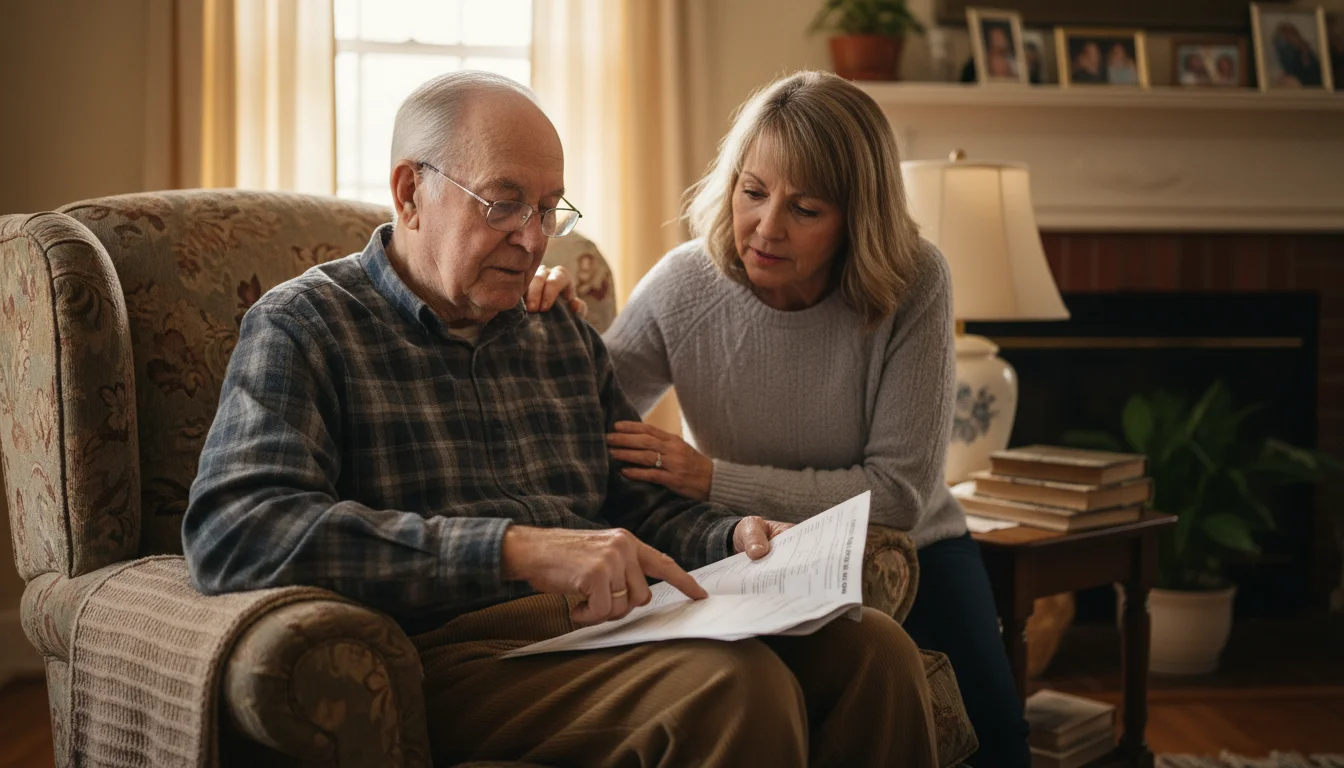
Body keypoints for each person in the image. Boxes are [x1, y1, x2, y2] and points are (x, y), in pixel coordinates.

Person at [183, 70, 940, 768]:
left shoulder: (555, 329)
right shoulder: (306, 326)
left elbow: (634, 502)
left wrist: (728, 535)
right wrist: (514, 550)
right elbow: (235, 532)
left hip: (611, 626)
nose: (535, 237)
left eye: (549, 209)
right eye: (504, 203)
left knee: (874, 650)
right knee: (735, 687)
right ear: (410, 192)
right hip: (458, 651)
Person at [534, 70, 1030, 767]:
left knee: (1000, 744)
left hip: (913, 545)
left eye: (805, 208)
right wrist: (541, 320)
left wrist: (710, 477)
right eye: (753, 192)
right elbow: (580, 414)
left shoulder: (914, 282)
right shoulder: (686, 285)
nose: (765, 228)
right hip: (756, 548)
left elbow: (897, 495)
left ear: (858, 216)